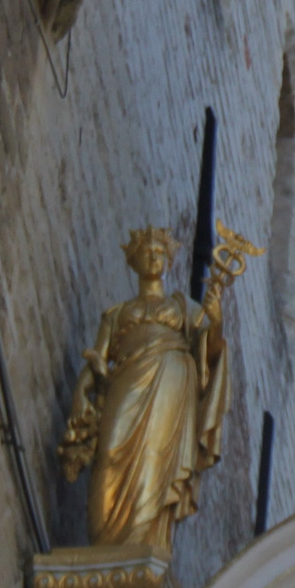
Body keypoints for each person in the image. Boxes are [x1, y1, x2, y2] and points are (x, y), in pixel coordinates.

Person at [60, 228, 242, 551]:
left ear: (169, 260)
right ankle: (104, 543)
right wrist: (83, 391)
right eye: (147, 251)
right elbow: (96, 361)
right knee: (111, 451)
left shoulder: (183, 307)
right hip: (125, 386)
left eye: (160, 251)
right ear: (134, 261)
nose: (154, 255)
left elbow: (211, 355)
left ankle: (144, 546)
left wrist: (215, 322)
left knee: (156, 462)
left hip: (171, 387)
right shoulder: (115, 315)